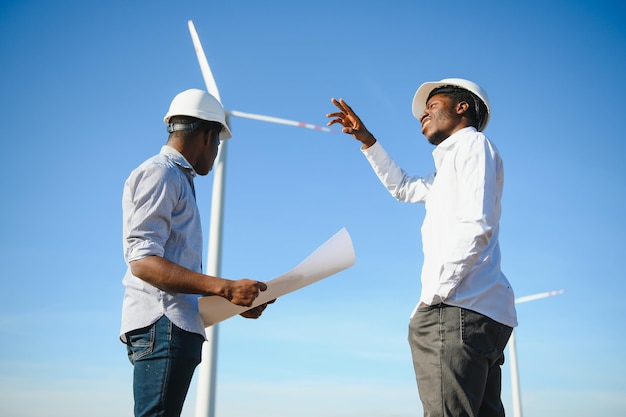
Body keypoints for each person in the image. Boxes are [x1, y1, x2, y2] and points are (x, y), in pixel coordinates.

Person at [327, 78, 518, 417]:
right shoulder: (445, 170)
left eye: (431, 106)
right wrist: (366, 140)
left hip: (457, 306)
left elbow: (478, 224)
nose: (422, 117)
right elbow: (403, 187)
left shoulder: (473, 146)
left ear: (463, 106)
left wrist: (435, 295)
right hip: (479, 310)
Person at [120, 88, 272, 417]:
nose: (217, 153)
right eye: (218, 142)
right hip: (163, 327)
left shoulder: (177, 179)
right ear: (206, 135)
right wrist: (227, 287)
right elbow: (143, 262)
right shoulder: (161, 173)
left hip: (173, 327)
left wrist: (230, 302)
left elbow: (173, 274)